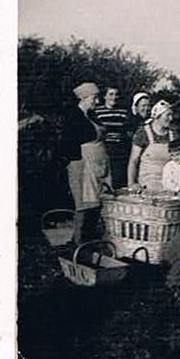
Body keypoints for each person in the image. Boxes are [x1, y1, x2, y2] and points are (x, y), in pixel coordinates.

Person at [61, 82, 112, 245]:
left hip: (98, 166)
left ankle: (91, 241)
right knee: (84, 205)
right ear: (83, 98)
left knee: (97, 204)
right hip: (82, 166)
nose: (97, 102)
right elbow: (68, 144)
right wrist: (78, 164)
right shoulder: (73, 117)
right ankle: (78, 243)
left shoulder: (92, 115)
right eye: (94, 98)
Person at [127, 100, 174, 192]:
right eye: (168, 115)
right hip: (146, 185)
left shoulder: (173, 135)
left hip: (169, 186)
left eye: (171, 115)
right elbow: (133, 161)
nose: (171, 118)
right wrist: (131, 184)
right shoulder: (143, 133)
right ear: (157, 116)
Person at [92, 87, 129, 188]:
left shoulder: (123, 112)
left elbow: (125, 131)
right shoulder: (97, 111)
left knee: (117, 180)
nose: (114, 97)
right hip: (104, 147)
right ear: (105, 96)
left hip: (119, 150)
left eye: (116, 94)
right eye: (111, 94)